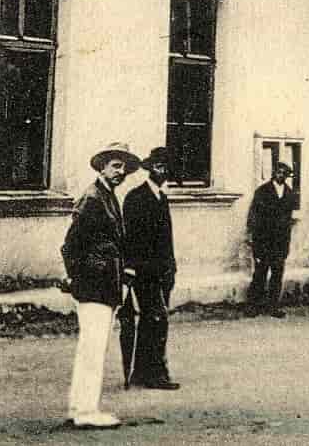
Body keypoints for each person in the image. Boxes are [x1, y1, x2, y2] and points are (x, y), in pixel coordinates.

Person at [60, 141, 140, 429]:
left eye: (125, 168)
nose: (121, 172)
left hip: (105, 284)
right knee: (93, 348)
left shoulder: (108, 196)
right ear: (102, 167)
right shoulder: (93, 198)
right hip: (95, 285)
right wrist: (83, 276)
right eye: (116, 166)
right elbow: (71, 246)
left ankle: (79, 407)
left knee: (92, 347)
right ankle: (86, 412)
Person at [120, 146, 179, 390]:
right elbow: (131, 239)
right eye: (160, 166)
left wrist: (171, 266)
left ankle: (141, 372)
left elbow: (167, 238)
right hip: (145, 272)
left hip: (163, 272)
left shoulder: (161, 198)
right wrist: (133, 270)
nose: (164, 171)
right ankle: (156, 374)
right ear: (151, 168)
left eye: (167, 167)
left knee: (150, 320)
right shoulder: (136, 198)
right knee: (157, 319)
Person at [246, 161, 297, 317]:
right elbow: (254, 215)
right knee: (260, 273)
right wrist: (253, 237)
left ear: (287, 176)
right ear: (274, 173)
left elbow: (288, 219)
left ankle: (273, 307)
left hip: (280, 241)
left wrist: (286, 243)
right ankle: (253, 306)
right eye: (278, 172)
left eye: (284, 173)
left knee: (277, 274)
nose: (281, 175)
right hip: (264, 240)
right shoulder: (262, 191)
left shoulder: (289, 193)